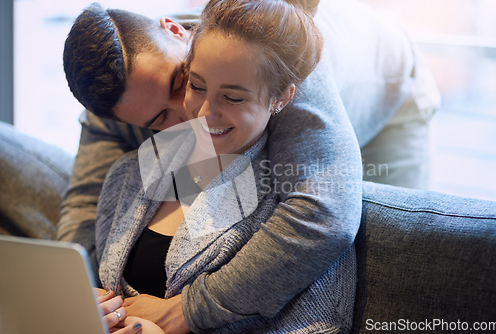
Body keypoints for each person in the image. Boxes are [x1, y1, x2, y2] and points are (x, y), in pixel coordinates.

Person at [95, 0, 356, 333]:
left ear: (282, 99)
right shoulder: (129, 174)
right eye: (196, 86)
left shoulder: (297, 200)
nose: (202, 113)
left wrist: (179, 318)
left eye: (233, 98)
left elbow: (316, 322)